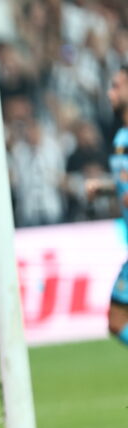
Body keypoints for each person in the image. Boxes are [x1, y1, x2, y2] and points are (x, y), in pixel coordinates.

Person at [86, 66, 128, 346]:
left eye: (116, 86)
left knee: (117, 319)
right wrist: (105, 188)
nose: (109, 93)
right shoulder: (121, 137)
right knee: (116, 321)